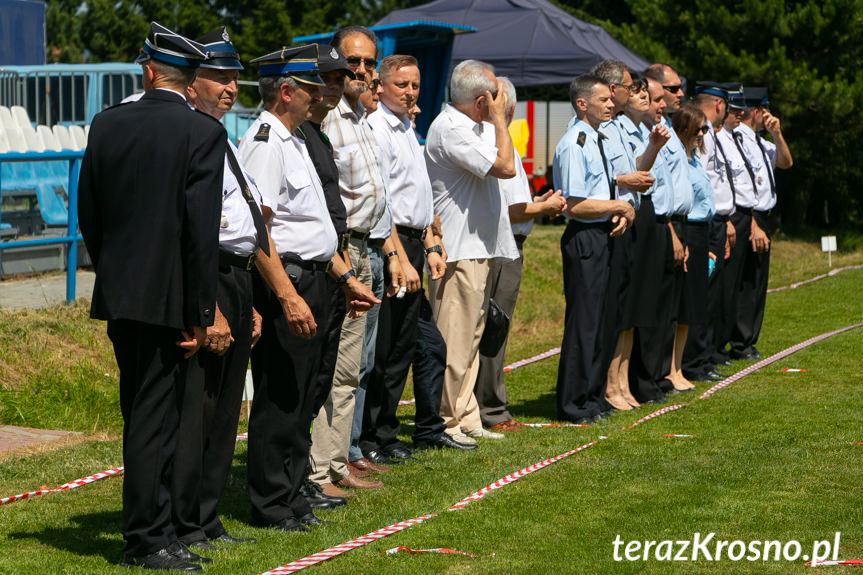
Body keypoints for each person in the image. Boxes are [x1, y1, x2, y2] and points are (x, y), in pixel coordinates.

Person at [77, 22, 224, 571]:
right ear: (190, 80)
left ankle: (157, 527)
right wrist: (199, 312)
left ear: (147, 69)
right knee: (152, 419)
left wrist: (115, 269)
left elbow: (89, 212)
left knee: (144, 412)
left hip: (122, 292)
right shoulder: (201, 133)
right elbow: (198, 232)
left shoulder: (107, 124)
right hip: (170, 299)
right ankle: (146, 538)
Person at [238, 43, 378, 534]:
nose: (320, 97)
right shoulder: (265, 142)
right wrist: (286, 296)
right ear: (285, 92)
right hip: (291, 284)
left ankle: (294, 491)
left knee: (308, 394)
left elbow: (317, 225)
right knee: (282, 397)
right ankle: (272, 502)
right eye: (311, 90)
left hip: (318, 279)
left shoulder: (296, 138)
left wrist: (342, 277)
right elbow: (261, 232)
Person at [309, 26, 400, 495]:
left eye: (369, 62)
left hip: (368, 249)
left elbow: (376, 197)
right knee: (334, 368)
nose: (361, 71)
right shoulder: (326, 117)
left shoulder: (363, 118)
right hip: (341, 253)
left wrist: (390, 249)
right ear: (336, 63)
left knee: (351, 370)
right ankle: (318, 469)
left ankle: (338, 461)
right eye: (353, 62)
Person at [363, 55, 470, 451]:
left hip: (413, 242)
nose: (410, 92)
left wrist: (431, 244)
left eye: (415, 85)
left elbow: (419, 196)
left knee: (423, 345)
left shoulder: (406, 125)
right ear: (381, 86)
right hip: (391, 245)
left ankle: (424, 429)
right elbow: (385, 200)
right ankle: (376, 436)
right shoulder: (379, 127)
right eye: (401, 85)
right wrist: (402, 256)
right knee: (389, 350)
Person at [425, 59, 520, 441]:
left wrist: (493, 120)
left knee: (473, 337)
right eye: (495, 96)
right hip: (459, 249)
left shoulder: (471, 127)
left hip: (478, 247)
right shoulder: (451, 129)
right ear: (482, 99)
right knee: (455, 338)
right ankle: (446, 419)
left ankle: (466, 415)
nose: (501, 102)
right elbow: (507, 166)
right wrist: (500, 119)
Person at [474, 76, 566, 430]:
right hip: (503, 248)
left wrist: (538, 204)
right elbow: (510, 212)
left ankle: (488, 407)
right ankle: (491, 410)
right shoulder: (496, 143)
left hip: (509, 246)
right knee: (493, 330)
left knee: (493, 329)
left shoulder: (501, 141)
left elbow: (514, 204)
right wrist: (544, 208)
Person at [553, 74, 636, 423]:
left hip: (604, 234)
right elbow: (574, 204)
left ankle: (591, 396)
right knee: (584, 323)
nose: (611, 103)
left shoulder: (598, 138)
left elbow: (601, 193)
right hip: (585, 238)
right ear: (582, 103)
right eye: (603, 99)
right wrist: (617, 207)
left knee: (602, 321)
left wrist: (618, 213)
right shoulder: (576, 142)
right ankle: (573, 402)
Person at [295, 45, 356, 510]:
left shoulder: (314, 135)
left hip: (332, 267)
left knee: (318, 382)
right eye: (326, 81)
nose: (333, 88)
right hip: (309, 273)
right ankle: (292, 485)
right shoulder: (293, 138)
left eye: (339, 81)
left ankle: (299, 482)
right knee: (297, 389)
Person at [588, 60, 656, 412]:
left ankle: (620, 382)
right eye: (630, 86)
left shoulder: (616, 128)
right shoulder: (594, 129)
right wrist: (623, 182)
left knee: (627, 311)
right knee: (613, 312)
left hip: (630, 219)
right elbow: (596, 176)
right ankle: (608, 385)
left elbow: (632, 170)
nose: (634, 92)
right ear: (613, 90)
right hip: (610, 222)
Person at [616, 73, 670, 406]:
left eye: (643, 92)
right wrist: (652, 146)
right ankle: (618, 382)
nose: (644, 97)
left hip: (646, 210)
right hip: (629, 210)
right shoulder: (618, 128)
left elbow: (646, 175)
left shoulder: (638, 129)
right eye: (636, 92)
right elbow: (632, 174)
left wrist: (652, 144)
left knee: (641, 303)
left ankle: (625, 382)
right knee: (626, 303)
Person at [729, 87, 793, 359]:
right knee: (747, 281)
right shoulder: (739, 139)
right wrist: (754, 224)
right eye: (766, 109)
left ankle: (749, 339)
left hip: (763, 216)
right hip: (751, 216)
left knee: (757, 281)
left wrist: (777, 134)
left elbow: (785, 162)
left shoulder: (759, 140)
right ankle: (740, 341)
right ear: (757, 111)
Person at [686, 81, 733, 381]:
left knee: (711, 294)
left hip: (714, 221)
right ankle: (696, 360)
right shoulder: (697, 130)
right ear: (719, 104)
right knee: (700, 295)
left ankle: (705, 356)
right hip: (700, 222)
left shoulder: (710, 134)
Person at [672, 102, 716, 388]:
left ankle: (693, 363)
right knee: (685, 301)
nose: (703, 133)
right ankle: (680, 365)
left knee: (698, 302)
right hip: (688, 229)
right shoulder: (679, 160)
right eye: (699, 128)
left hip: (702, 233)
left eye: (705, 128)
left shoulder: (695, 160)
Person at [713, 86, 758, 363]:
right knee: (723, 284)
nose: (740, 112)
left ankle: (726, 343)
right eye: (734, 107)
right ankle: (717, 345)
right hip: (726, 216)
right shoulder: (715, 137)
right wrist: (728, 219)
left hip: (741, 214)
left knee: (738, 284)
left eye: (743, 107)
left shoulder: (736, 138)